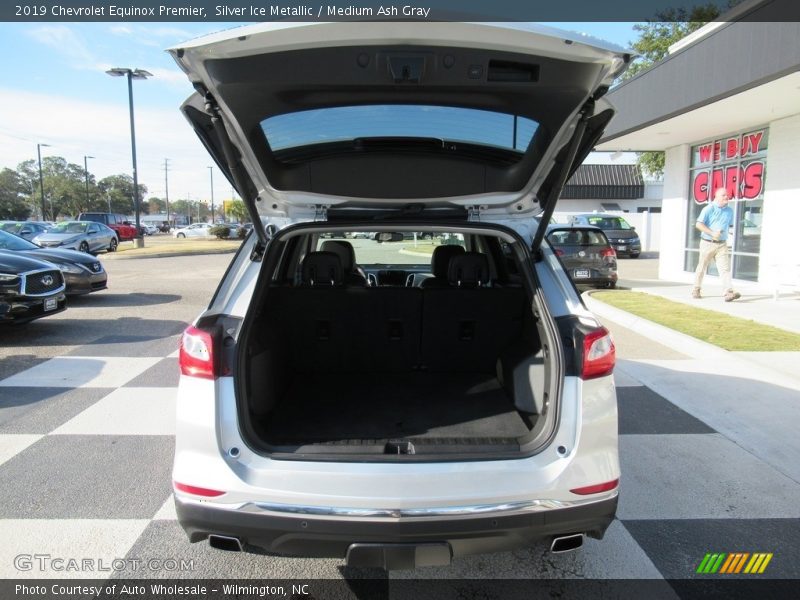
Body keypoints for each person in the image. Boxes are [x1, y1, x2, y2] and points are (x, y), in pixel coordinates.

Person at [693, 187, 741, 302]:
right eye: (723, 195)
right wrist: (712, 233)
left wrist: (725, 233)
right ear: (716, 197)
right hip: (707, 243)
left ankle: (728, 292)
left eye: (727, 195)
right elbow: (698, 225)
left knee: (725, 269)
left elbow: (728, 225)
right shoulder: (708, 209)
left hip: (722, 244)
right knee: (702, 267)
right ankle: (696, 289)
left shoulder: (729, 211)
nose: (726, 197)